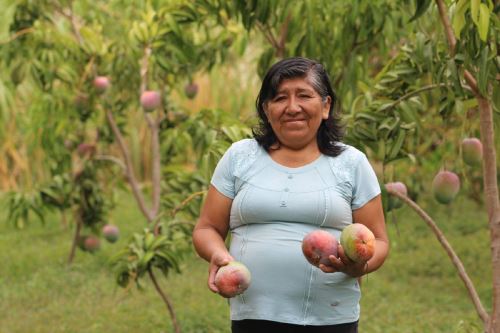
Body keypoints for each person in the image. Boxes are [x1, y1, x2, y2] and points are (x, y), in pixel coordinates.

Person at [192, 57, 389, 333]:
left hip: (330, 319)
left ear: (325, 106)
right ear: (266, 109)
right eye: (280, 98)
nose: (292, 107)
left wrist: (359, 266)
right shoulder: (240, 156)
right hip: (253, 315)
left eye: (304, 95)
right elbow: (207, 228)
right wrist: (218, 254)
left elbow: (378, 241)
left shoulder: (351, 163)